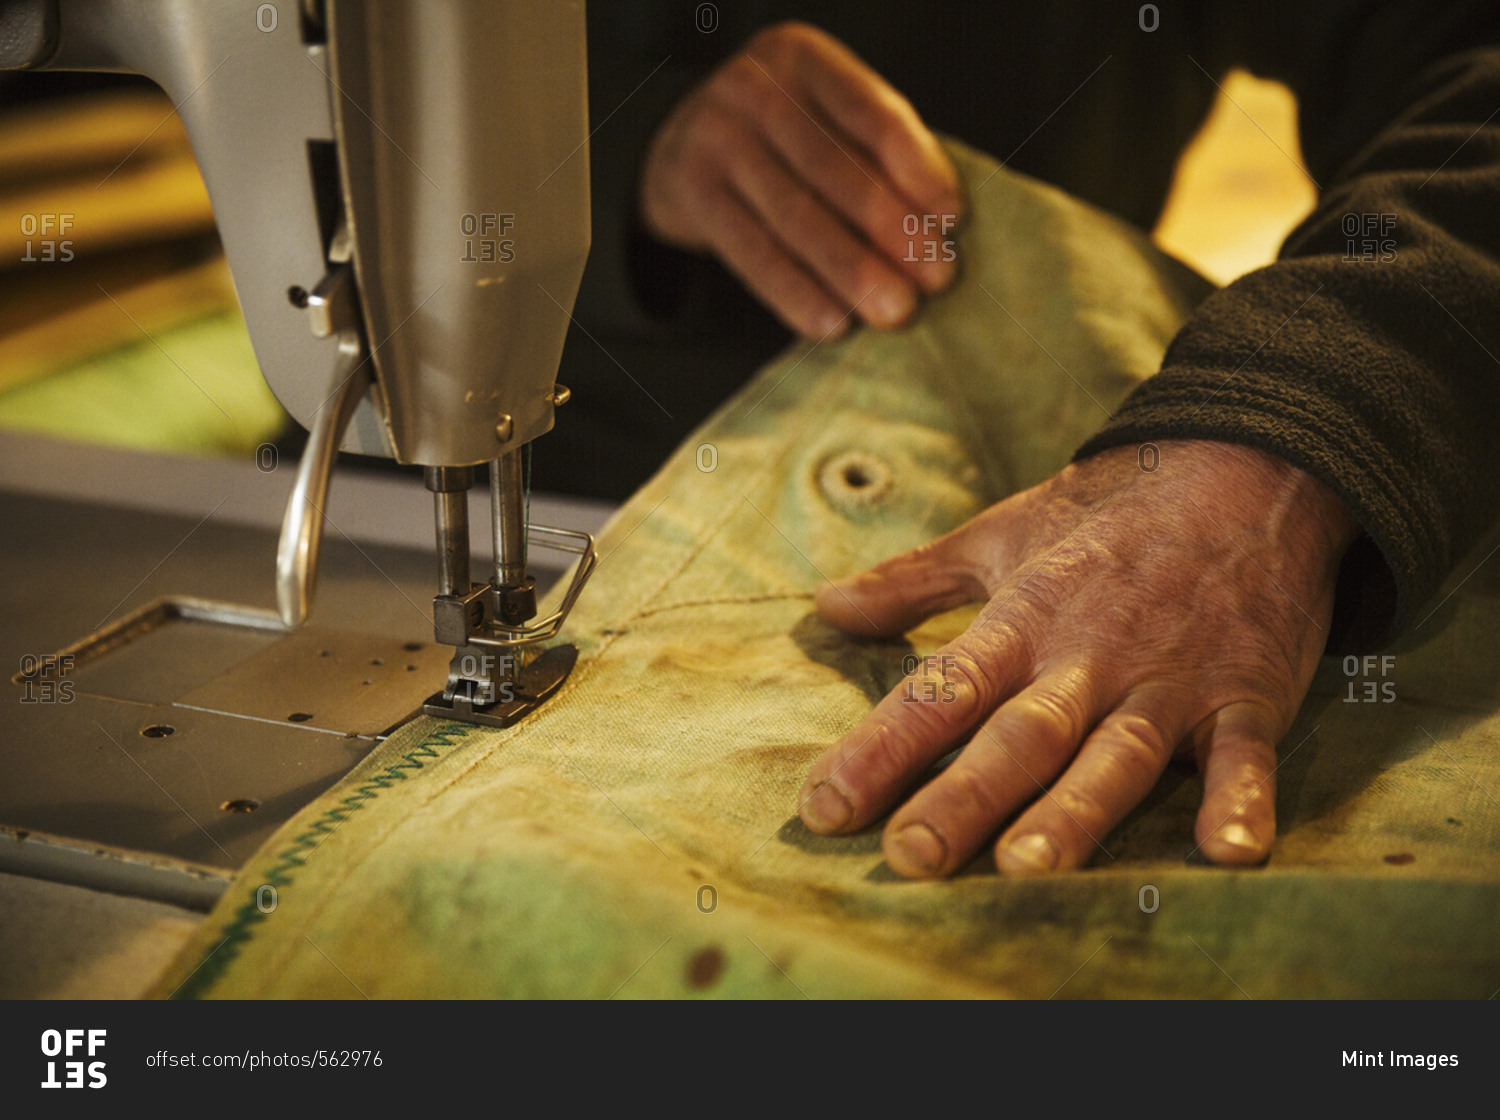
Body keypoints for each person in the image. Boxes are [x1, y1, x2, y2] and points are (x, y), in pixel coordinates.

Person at [557, 3, 1500, 877]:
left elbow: (1465, 55)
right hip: (579, 452)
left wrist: (1292, 414)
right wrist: (603, 130)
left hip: (1092, 461)